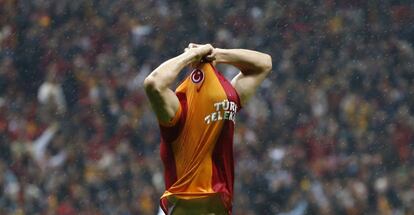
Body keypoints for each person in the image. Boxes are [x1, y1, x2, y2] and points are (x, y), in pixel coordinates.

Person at [144, 43, 272, 215]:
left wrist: (197, 54)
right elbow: (264, 63)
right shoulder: (228, 101)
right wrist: (213, 54)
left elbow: (153, 83)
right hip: (214, 207)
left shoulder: (179, 110)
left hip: (188, 206)